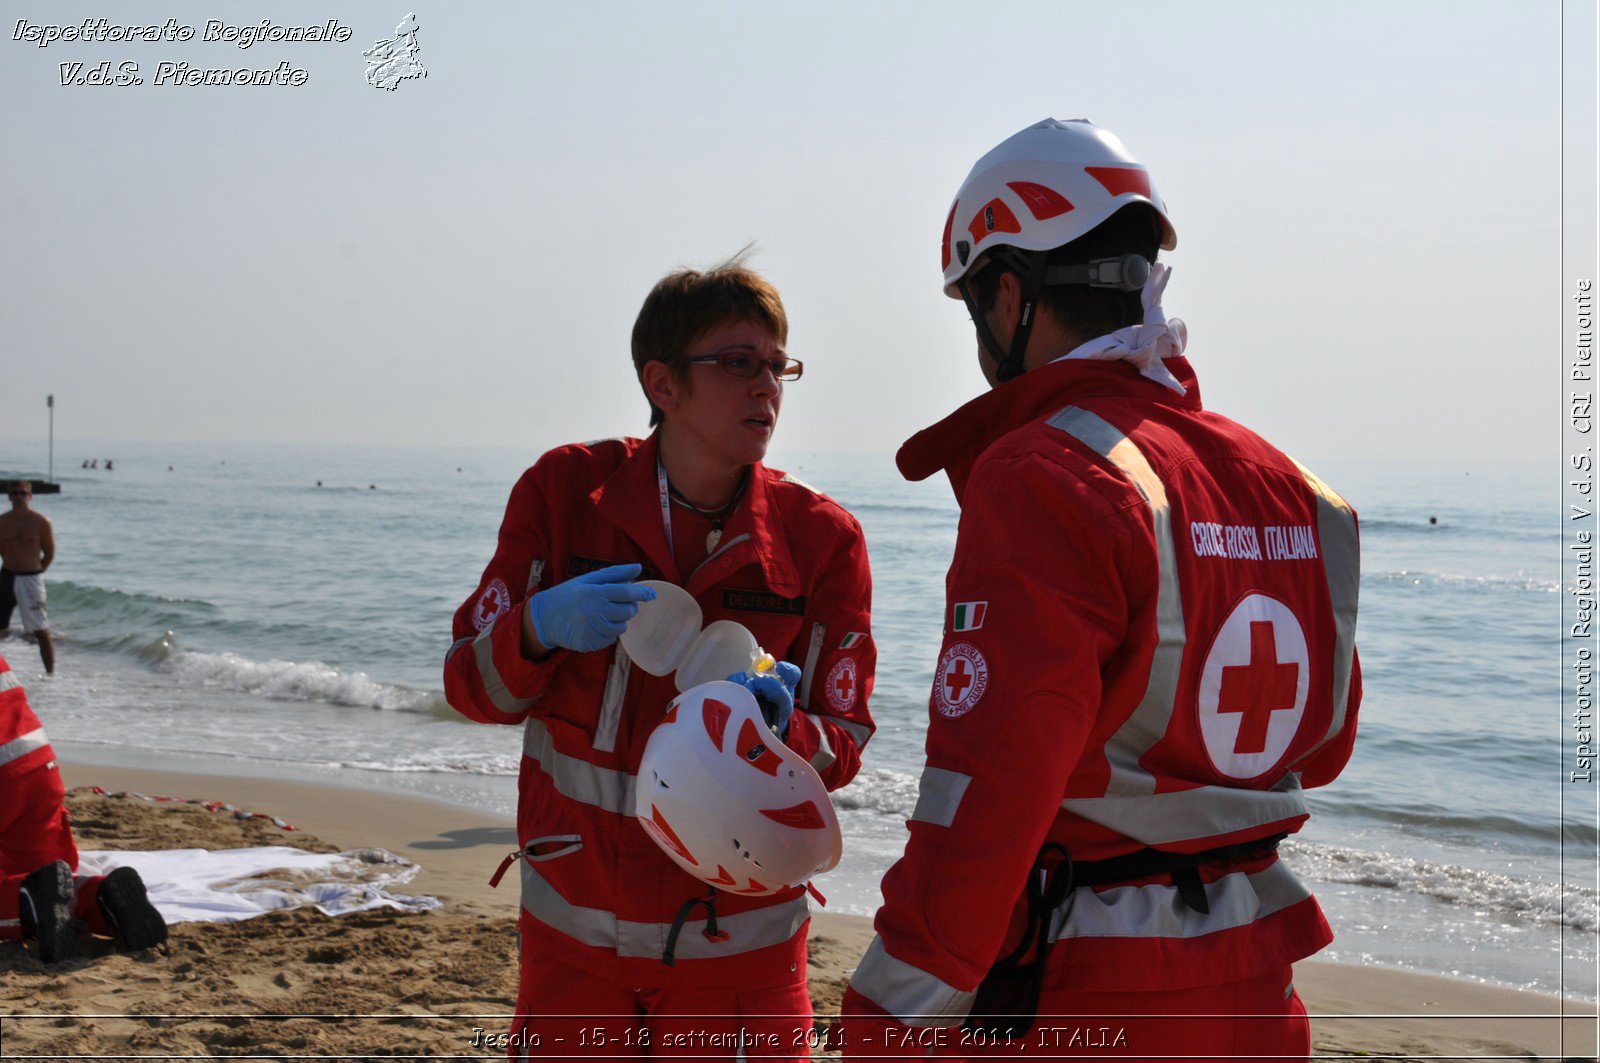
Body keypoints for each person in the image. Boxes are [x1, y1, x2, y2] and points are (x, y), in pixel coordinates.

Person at [840, 119, 1361, 1061]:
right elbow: (1320, 747)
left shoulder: (1044, 473)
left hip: (1089, 997)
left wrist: (889, 1010)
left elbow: (993, 787)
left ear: (1008, 298)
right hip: (1257, 985)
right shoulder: (1293, 487)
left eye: (974, 310)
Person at [444, 256, 877, 1057]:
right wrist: (535, 628)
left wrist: (782, 733)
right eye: (739, 363)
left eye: (778, 366)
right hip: (576, 941)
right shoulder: (563, 494)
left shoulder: (822, 539)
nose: (767, 387)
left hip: (738, 947)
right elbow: (471, 689)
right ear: (663, 384)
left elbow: (845, 737)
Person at [0, 653, 168, 962]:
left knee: (31, 894)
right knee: (44, 881)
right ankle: (101, 897)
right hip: (36, 766)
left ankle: (30, 903)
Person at [0, 482, 56, 674]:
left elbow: (49, 553)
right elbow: (2, 550)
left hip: (30, 578)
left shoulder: (40, 522)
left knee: (41, 630)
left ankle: (50, 675)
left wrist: (37, 572)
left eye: (23, 493)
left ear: (30, 496)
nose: (19, 497)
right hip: (7, 575)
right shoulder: (2, 521)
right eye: (14, 493)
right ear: (9, 496)